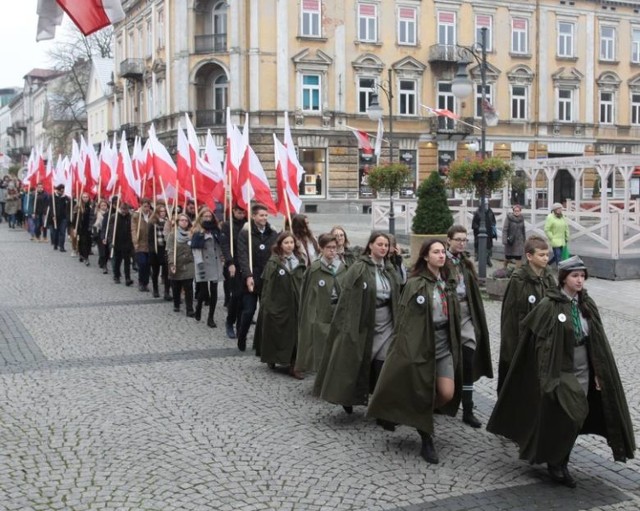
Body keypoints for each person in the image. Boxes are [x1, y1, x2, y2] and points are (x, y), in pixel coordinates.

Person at [487, 256, 635, 488]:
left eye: (582, 276)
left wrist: (599, 371)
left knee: (579, 415)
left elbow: (597, 340)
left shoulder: (587, 304)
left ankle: (560, 459)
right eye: (575, 276)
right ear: (564, 278)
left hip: (584, 365)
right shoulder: (549, 305)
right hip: (560, 368)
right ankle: (556, 462)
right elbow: (535, 340)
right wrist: (545, 373)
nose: (580, 280)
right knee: (570, 413)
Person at [368, 239, 462, 464]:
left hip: (443, 344)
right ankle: (426, 439)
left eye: (442, 252)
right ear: (426, 257)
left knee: (446, 393)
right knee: (423, 390)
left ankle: (411, 413)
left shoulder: (448, 281)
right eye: (436, 252)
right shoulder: (416, 283)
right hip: (422, 345)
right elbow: (406, 319)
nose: (441, 256)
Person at [313, 231, 401, 415]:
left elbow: (399, 290)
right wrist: (348, 325)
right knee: (356, 361)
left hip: (386, 321)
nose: (383, 248)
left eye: (386, 245)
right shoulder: (359, 267)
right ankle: (348, 396)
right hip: (364, 321)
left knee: (382, 362)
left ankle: (379, 406)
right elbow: (348, 297)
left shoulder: (390, 268)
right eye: (380, 244)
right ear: (370, 245)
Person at [446, 225, 493, 428]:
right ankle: (442, 401)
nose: (461, 243)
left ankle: (468, 408)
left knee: (468, 360)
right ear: (449, 240)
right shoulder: (442, 260)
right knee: (446, 362)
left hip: (466, 316)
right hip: (447, 318)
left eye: (464, 240)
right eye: (458, 239)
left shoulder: (465, 263)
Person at [497, 235, 556, 394]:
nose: (546, 258)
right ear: (529, 256)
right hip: (523, 336)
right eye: (541, 255)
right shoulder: (518, 279)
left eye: (547, 255)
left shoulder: (548, 277)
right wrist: (512, 345)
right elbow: (510, 316)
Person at [254, 232, 307, 378]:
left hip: (296, 304)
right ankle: (273, 357)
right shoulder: (274, 263)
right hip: (279, 304)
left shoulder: (300, 261)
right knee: (278, 332)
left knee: (296, 334)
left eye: (291, 242)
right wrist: (267, 305)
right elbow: (268, 287)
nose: (289, 245)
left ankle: (294, 364)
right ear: (280, 245)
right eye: (286, 243)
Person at [295, 233, 347, 374]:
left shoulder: (342, 267)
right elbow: (308, 297)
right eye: (328, 247)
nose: (332, 251)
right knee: (321, 345)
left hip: (338, 311)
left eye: (334, 248)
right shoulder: (315, 269)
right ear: (321, 248)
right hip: (321, 313)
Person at [236, 203, 279, 352]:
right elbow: (242, 256)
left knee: (266, 312)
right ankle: (242, 336)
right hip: (251, 278)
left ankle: (262, 342)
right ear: (254, 216)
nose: (264, 218)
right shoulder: (245, 234)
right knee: (249, 310)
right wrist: (248, 275)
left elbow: (277, 253)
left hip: (267, 277)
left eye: (266, 215)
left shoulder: (273, 233)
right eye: (261, 215)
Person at [191, 208, 224, 327]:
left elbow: (219, 245)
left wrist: (222, 257)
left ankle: (211, 317)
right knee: (204, 291)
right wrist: (199, 263)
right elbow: (196, 250)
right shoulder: (197, 232)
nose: (207, 218)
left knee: (214, 291)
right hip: (203, 263)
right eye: (205, 216)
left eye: (209, 216)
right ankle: (199, 306)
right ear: (200, 217)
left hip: (215, 263)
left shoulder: (216, 230)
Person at [220, 205, 247, 339]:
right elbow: (224, 245)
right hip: (233, 264)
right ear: (233, 212)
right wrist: (229, 262)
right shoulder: (227, 225)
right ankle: (230, 322)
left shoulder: (248, 224)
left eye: (243, 212)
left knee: (245, 296)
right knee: (236, 295)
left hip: (247, 264)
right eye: (238, 212)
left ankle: (240, 324)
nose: (241, 214)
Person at [167, 213, 195, 316]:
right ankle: (176, 303)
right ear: (178, 222)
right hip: (177, 262)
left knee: (188, 286)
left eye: (186, 220)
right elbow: (170, 250)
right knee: (176, 285)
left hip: (189, 263)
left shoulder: (192, 234)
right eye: (182, 220)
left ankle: (189, 308)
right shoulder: (172, 234)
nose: (184, 222)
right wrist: (171, 263)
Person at [106, 201, 134, 286]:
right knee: (117, 260)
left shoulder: (130, 217)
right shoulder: (114, 217)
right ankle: (117, 276)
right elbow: (111, 230)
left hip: (127, 242)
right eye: (122, 209)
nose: (124, 211)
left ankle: (127, 278)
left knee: (127, 261)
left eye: (126, 209)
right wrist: (111, 241)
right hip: (117, 241)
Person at [148, 203, 170, 300]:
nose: (163, 213)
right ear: (157, 212)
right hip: (156, 249)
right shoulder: (152, 223)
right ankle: (155, 289)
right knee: (155, 271)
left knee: (166, 271)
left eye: (164, 211)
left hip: (165, 248)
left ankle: (167, 291)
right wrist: (152, 249)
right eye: (161, 211)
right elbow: (150, 238)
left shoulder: (168, 222)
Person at [131, 199, 152, 292]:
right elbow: (133, 229)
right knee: (142, 263)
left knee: (148, 265)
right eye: (145, 206)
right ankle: (141, 282)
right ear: (141, 206)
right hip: (140, 243)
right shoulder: (136, 215)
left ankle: (146, 283)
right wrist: (135, 241)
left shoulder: (152, 215)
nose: (147, 208)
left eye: (148, 206)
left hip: (150, 244)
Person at [544, 202, 570, 268]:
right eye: (558, 208)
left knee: (558, 256)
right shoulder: (550, 217)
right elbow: (547, 229)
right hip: (555, 241)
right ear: (554, 210)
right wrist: (551, 237)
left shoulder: (562, 217)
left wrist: (567, 237)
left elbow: (566, 227)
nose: (560, 210)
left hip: (562, 240)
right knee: (558, 257)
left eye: (561, 208)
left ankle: (546, 265)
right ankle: (560, 272)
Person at [471, 202, 497, 266]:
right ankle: (480, 260)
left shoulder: (490, 212)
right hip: (479, 233)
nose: (486, 206)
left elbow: (493, 220)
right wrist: (479, 228)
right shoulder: (477, 212)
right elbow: (474, 224)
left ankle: (488, 259)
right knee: (481, 247)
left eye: (487, 204)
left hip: (489, 233)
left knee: (488, 246)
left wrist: (493, 226)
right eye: (484, 204)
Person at [502, 204, 526, 268]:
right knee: (508, 257)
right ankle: (504, 267)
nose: (516, 212)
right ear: (513, 211)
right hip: (511, 241)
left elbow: (523, 229)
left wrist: (524, 239)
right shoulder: (509, 218)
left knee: (519, 257)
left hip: (519, 241)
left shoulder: (522, 218)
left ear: (520, 211)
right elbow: (505, 229)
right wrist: (504, 240)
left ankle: (517, 272)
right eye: (515, 211)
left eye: (518, 211)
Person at [47, 184, 70, 252]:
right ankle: (55, 244)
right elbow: (50, 207)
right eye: (60, 191)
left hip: (63, 217)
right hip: (55, 217)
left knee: (62, 232)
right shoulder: (52, 197)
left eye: (62, 191)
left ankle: (62, 246)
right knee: (55, 232)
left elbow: (68, 207)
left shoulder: (66, 198)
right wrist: (52, 216)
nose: (61, 192)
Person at [75, 192, 93, 266]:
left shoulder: (91, 206)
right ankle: (85, 257)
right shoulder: (78, 207)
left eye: (86, 197)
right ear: (81, 198)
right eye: (84, 197)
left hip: (89, 227)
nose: (85, 198)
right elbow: (75, 218)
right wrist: (74, 227)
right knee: (82, 241)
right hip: (81, 227)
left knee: (88, 242)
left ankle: (83, 254)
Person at [93, 199, 110, 273]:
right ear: (99, 206)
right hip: (99, 232)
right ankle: (103, 264)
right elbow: (93, 223)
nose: (104, 207)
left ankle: (102, 261)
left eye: (105, 205)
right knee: (102, 249)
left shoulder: (109, 214)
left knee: (107, 250)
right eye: (102, 205)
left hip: (108, 232)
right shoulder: (97, 213)